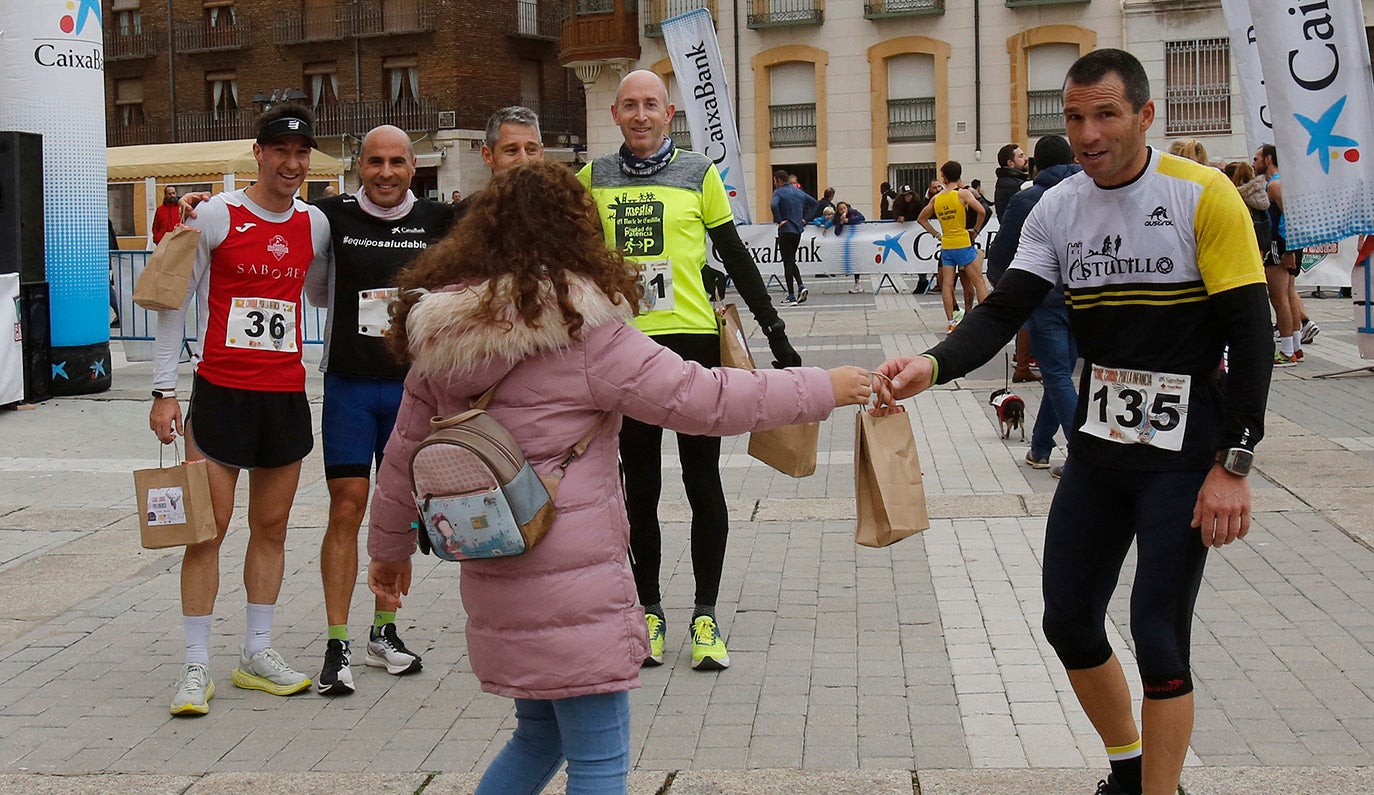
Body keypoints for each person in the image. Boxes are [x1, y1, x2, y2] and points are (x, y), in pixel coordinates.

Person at [366, 160, 872, 794]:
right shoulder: (586, 333)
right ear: (580, 231)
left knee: (538, 736)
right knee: (600, 760)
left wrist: (387, 554)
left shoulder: (442, 340)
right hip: (575, 582)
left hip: (493, 564)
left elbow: (399, 461)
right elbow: (705, 399)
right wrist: (825, 386)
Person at [874, 49, 1272, 795]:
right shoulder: (1057, 207)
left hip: (1185, 453)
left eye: (1106, 115)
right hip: (1100, 446)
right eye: (1075, 117)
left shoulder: (1202, 194)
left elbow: (1252, 335)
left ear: (1145, 116)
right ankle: (1129, 770)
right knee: (1069, 622)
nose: (1088, 134)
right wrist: (930, 364)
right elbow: (1002, 308)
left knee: (1158, 636)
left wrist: (1235, 460)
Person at [578, 70, 802, 673]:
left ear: (669, 113)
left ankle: (705, 615)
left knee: (703, 482)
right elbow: (556, 249)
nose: (641, 114)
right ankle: (648, 611)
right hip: (624, 350)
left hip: (694, 346)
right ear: (617, 115)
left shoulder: (699, 172)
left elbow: (735, 255)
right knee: (640, 488)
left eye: (652, 104)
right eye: (630, 105)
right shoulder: (592, 178)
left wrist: (776, 335)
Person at [149, 103, 331, 717]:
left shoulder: (316, 223)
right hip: (221, 392)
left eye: (302, 153)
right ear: (258, 153)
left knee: (272, 528)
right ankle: (196, 664)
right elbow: (174, 302)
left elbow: (326, 293)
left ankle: (256, 653)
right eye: (281, 151)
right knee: (208, 529)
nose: (292, 163)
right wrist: (161, 390)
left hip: (284, 394)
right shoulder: (218, 216)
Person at [302, 124, 458, 695]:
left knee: (403, 514)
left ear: (413, 166)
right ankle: (337, 640)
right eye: (375, 162)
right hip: (348, 385)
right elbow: (278, 229)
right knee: (347, 505)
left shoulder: (440, 220)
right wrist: (199, 205)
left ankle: (384, 631)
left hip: (412, 391)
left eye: (397, 162)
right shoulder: (331, 216)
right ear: (357, 165)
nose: (386, 173)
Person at [986, 134, 1081, 474]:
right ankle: (1040, 447)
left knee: (1057, 375)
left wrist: (1006, 286)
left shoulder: (1030, 200)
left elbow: (1001, 255)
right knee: (1063, 375)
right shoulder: (1093, 189)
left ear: (1036, 165)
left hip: (1046, 297)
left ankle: (1082, 455)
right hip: (1087, 297)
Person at [1252, 144, 1314, 365]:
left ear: (1268, 159)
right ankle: (1295, 347)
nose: (1253, 163)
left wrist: (1289, 250)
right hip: (1285, 244)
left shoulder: (1275, 184)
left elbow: (1291, 217)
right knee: (1288, 296)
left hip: (1279, 244)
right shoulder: (1279, 182)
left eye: (1257, 158)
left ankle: (1287, 350)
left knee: (1279, 299)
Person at [917, 160, 988, 334]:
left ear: (944, 177)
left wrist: (937, 234)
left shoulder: (937, 198)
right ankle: (986, 320)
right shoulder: (962, 194)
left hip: (946, 245)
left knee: (947, 285)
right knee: (978, 282)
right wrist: (976, 230)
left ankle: (951, 322)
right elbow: (982, 211)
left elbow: (921, 219)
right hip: (963, 243)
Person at [771, 168, 819, 305]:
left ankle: (791, 295)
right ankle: (800, 286)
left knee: (787, 262)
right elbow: (814, 203)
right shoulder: (798, 192)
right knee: (791, 260)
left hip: (785, 229)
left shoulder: (778, 192)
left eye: (775, 181)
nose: (775, 183)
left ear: (778, 180)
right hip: (797, 230)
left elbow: (773, 205)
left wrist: (779, 220)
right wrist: (805, 219)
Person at [834, 201, 868, 293]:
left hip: (855, 239)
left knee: (856, 261)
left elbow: (862, 218)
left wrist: (848, 221)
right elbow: (837, 232)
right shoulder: (837, 217)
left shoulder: (853, 212)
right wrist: (841, 223)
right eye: (841, 209)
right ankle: (854, 281)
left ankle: (857, 283)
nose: (843, 210)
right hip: (845, 242)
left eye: (844, 208)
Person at [994, 143, 1030, 221]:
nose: (1026, 158)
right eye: (1021, 156)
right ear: (1011, 163)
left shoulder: (1006, 180)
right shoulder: (1009, 184)